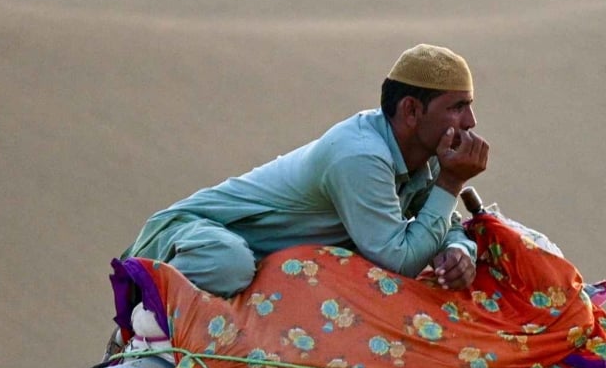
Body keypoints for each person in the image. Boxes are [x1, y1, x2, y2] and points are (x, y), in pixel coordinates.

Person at [122, 43, 490, 298]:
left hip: (251, 255)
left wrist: (459, 250)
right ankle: (150, 312)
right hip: (197, 237)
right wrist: (452, 181)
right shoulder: (361, 156)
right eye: (457, 107)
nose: (470, 121)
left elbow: (442, 220)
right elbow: (399, 260)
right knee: (229, 266)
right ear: (411, 111)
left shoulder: (419, 156)